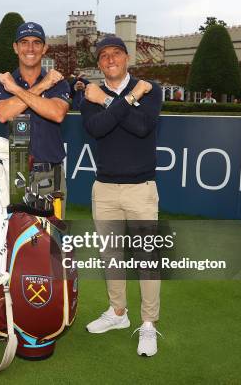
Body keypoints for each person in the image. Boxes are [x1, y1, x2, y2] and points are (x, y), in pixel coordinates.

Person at [80, 36, 163, 357]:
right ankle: (118, 313)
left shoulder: (150, 88)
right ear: (99, 63)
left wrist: (111, 100)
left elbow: (142, 127)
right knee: (111, 257)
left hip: (141, 188)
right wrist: (118, 100)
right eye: (104, 56)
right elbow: (97, 129)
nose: (110, 59)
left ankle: (148, 324)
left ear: (126, 58)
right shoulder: (91, 94)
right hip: (104, 188)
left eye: (116, 53)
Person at [0, 22, 71, 216]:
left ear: (44, 48)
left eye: (36, 43)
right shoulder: (4, 81)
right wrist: (41, 86)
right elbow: (4, 114)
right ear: (15, 47)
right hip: (17, 171)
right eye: (24, 42)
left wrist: (17, 91)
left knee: (50, 240)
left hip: (50, 173)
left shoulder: (57, 81)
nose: (30, 48)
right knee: (17, 240)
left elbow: (57, 113)